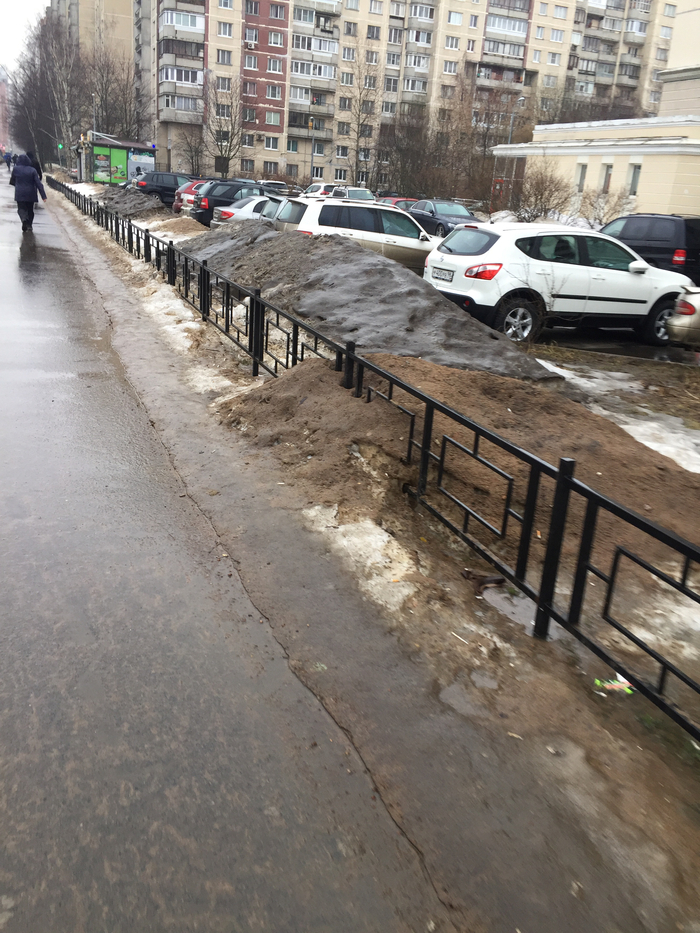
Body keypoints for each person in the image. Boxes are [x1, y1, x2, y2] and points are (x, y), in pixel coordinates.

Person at [9, 154, 47, 232]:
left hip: (19, 193)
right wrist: (43, 196)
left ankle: (24, 220)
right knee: (30, 210)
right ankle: (29, 225)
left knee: (21, 208)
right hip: (31, 193)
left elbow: (12, 181)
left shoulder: (16, 169)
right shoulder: (32, 170)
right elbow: (38, 183)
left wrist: (18, 185)